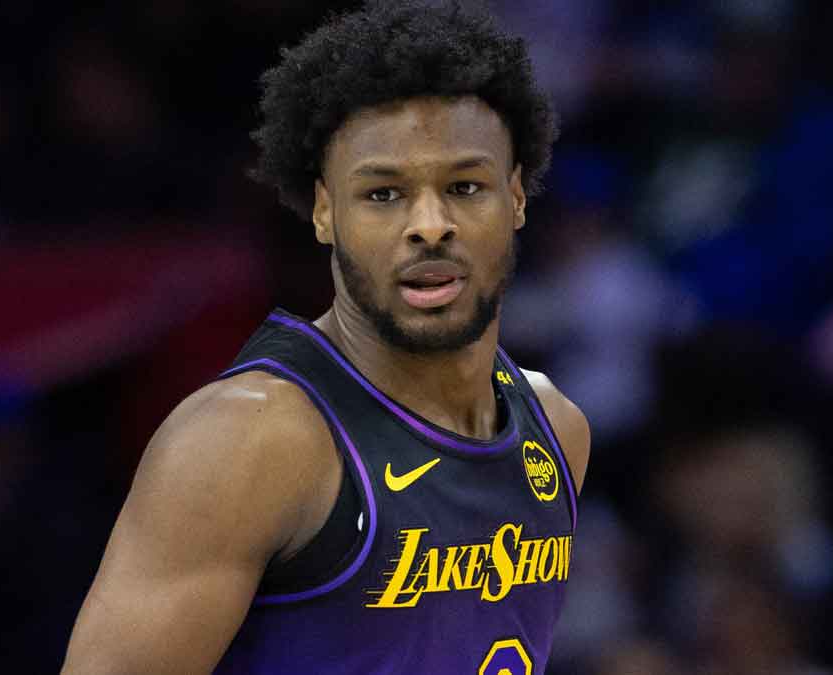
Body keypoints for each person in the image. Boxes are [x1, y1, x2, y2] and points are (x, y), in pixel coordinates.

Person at [61, 1, 589, 672]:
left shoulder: (558, 428)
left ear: (515, 197)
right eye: (383, 194)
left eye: (464, 185)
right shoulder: (247, 442)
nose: (430, 224)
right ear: (322, 210)